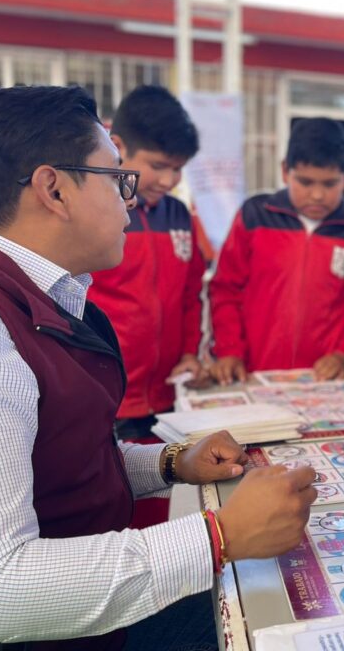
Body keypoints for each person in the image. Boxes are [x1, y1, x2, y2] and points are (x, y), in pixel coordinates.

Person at [0, 86, 316, 650]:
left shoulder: (33, 291)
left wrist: (170, 462)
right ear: (54, 189)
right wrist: (219, 536)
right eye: (116, 178)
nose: (129, 201)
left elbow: (57, 463)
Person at [208, 118, 344, 383]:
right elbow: (225, 289)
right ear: (285, 171)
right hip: (254, 373)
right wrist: (229, 350)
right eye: (306, 182)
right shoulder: (255, 215)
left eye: (329, 184)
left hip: (325, 380)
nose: (317, 195)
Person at [88, 85, 205, 441]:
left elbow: (190, 296)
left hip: (171, 393)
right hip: (107, 398)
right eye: (158, 166)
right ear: (118, 147)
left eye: (178, 169)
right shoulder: (93, 214)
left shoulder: (179, 215)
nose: (169, 180)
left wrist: (190, 353)